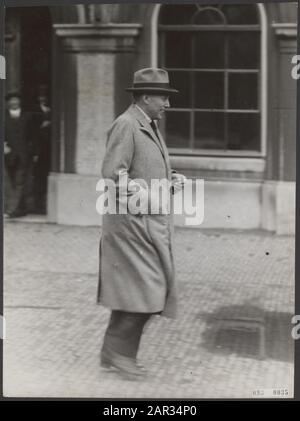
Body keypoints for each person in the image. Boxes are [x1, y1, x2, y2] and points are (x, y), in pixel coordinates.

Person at [97, 68, 186, 380]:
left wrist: (169, 181)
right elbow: (113, 177)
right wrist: (150, 198)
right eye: (163, 97)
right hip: (131, 226)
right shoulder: (126, 125)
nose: (167, 104)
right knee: (149, 290)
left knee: (136, 291)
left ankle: (114, 352)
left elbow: (139, 172)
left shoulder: (147, 124)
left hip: (144, 224)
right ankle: (121, 356)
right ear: (146, 97)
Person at [4, 92, 32, 217]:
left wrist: (34, 153)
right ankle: (20, 209)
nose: (14, 102)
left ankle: (12, 209)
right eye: (12, 100)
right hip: (9, 155)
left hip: (23, 155)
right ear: (8, 103)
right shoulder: (3, 117)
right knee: (12, 183)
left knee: (19, 181)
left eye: (16, 100)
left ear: (19, 102)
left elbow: (33, 136)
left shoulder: (27, 117)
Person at [31, 85, 51, 214]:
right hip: (39, 149)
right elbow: (32, 131)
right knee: (38, 178)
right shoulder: (34, 110)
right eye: (40, 95)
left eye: (44, 95)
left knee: (44, 177)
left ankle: (44, 205)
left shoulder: (51, 110)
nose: (42, 98)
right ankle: (37, 206)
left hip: (48, 150)